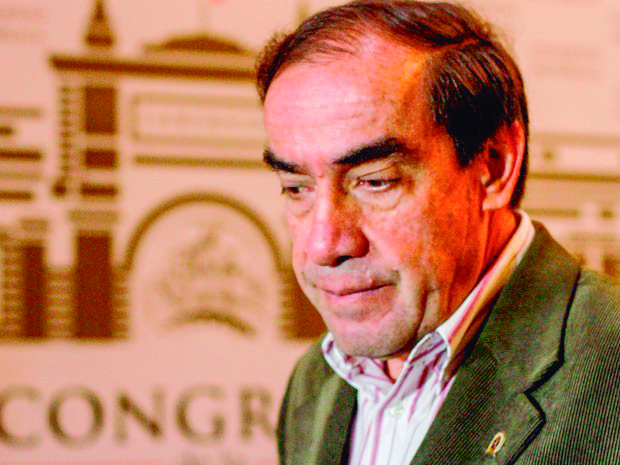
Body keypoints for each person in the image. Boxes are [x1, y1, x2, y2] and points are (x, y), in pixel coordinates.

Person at [256, 1, 620, 464]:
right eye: (296, 188)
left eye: (376, 182)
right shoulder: (314, 387)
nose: (323, 245)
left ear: (493, 166)